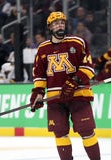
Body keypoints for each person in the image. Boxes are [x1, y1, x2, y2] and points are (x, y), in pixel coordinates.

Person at [29, 11, 101, 160]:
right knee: (60, 132)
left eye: (62, 22)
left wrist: (75, 81)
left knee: (86, 130)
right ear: (50, 27)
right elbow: (40, 74)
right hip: (55, 98)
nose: (60, 25)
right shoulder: (42, 48)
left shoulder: (77, 42)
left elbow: (88, 67)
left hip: (79, 95)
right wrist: (38, 92)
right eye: (56, 23)